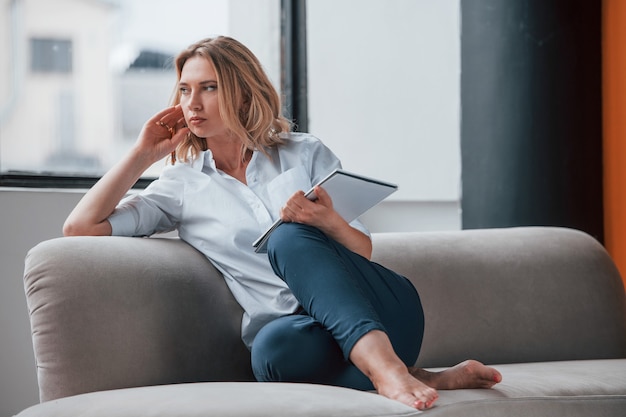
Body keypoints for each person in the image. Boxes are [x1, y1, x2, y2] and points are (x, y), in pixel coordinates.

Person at [63, 36, 502, 410]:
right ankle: (423, 377)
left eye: (209, 88)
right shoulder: (180, 185)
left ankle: (388, 368)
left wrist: (326, 221)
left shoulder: (303, 151)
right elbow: (80, 228)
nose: (192, 103)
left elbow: (363, 251)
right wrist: (143, 155)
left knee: (288, 237)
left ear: (241, 92)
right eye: (183, 90)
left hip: (385, 313)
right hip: (304, 337)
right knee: (270, 353)